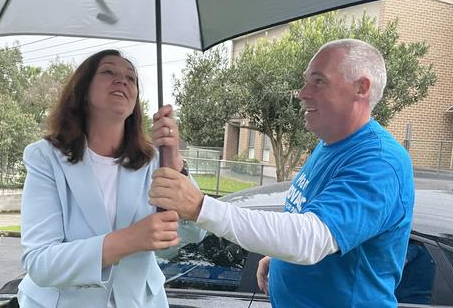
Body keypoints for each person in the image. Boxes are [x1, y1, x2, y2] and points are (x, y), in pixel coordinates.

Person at [149, 39, 415, 307]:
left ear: (361, 87)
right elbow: (305, 221)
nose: (303, 93)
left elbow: (311, 238)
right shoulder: (331, 145)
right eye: (306, 81)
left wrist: (200, 207)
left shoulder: (379, 162)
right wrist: (280, 258)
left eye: (318, 81)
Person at [18, 49, 205, 308]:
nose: (122, 81)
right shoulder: (45, 157)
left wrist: (174, 164)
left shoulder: (153, 161)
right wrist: (130, 239)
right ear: (82, 91)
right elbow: (40, 263)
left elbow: (193, 233)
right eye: (108, 71)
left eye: (131, 78)